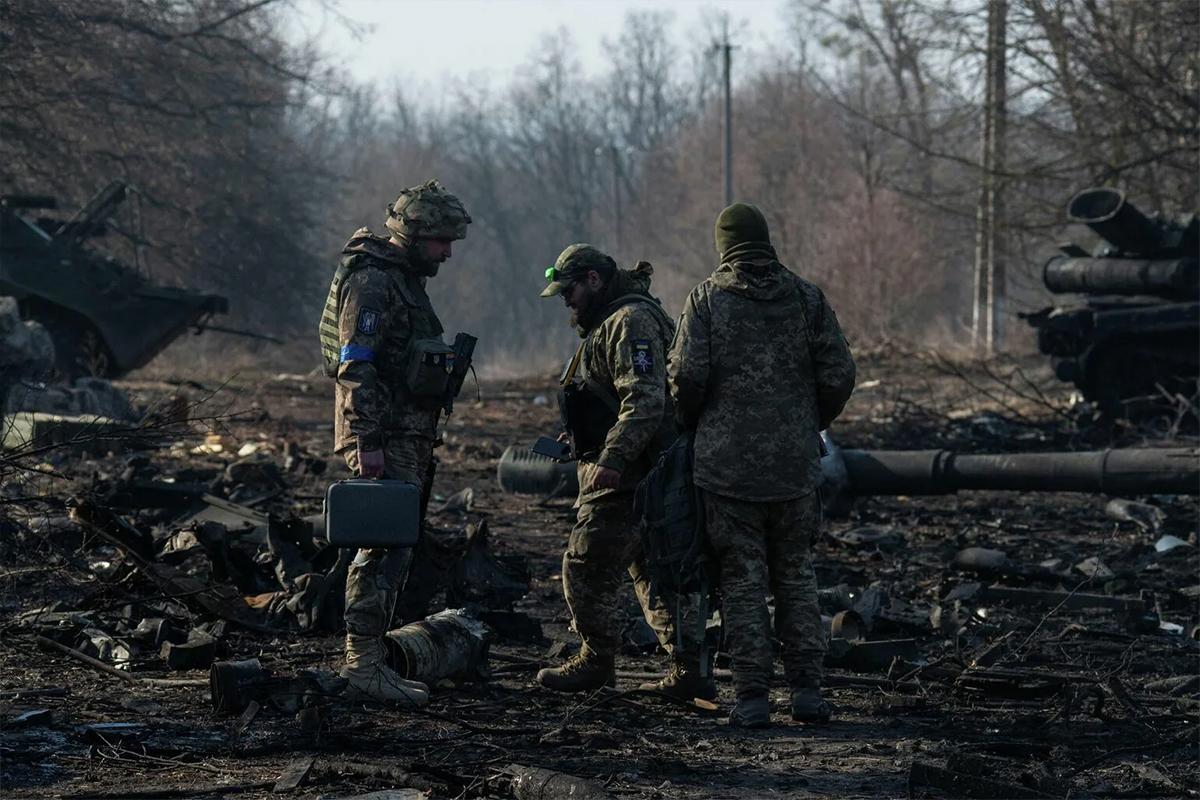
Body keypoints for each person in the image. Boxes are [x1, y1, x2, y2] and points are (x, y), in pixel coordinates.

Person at [667, 203, 856, 728]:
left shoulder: (706, 300)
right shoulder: (805, 297)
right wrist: (806, 419)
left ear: (723, 244)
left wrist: (695, 423)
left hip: (726, 471)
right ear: (765, 239)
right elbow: (839, 372)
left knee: (741, 579)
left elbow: (684, 375)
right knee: (796, 574)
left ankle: (752, 699)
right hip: (794, 467)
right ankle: (808, 695)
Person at [536, 244, 713, 700]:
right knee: (650, 569)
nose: (566, 301)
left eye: (569, 290)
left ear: (594, 280)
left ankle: (596, 660)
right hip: (635, 466)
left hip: (633, 471)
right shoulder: (609, 323)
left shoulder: (629, 321)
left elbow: (645, 400)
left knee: (586, 562)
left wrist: (612, 459)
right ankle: (687, 670)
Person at [318, 179, 471, 706]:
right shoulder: (375, 282)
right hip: (382, 435)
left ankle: (372, 656)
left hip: (405, 433)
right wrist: (367, 442)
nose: (447, 253)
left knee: (397, 546)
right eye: (441, 241)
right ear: (415, 234)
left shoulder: (403, 280)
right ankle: (362, 664)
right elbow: (354, 364)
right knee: (381, 547)